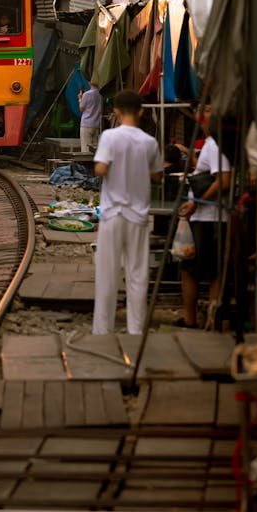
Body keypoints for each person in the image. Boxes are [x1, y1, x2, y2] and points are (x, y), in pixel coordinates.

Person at [92, 90, 163, 335]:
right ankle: (135, 330)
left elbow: (101, 169)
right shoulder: (149, 142)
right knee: (137, 274)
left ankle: (102, 329)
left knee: (107, 274)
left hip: (112, 213)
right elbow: (158, 176)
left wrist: (110, 165)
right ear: (142, 112)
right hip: (138, 215)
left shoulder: (110, 137)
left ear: (117, 112)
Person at [177, 103, 231, 328]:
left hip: (210, 218)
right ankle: (202, 318)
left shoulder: (218, 144)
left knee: (201, 271)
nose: (201, 114)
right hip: (203, 216)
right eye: (201, 109)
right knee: (192, 268)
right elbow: (206, 172)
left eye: (208, 109)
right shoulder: (210, 143)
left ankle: (206, 319)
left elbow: (224, 181)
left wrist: (196, 204)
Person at [78, 79, 102, 153]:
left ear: (89, 83)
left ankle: (86, 164)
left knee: (86, 149)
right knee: (94, 149)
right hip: (96, 124)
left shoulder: (87, 94)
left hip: (86, 124)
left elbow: (81, 108)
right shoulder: (100, 95)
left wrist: (80, 99)